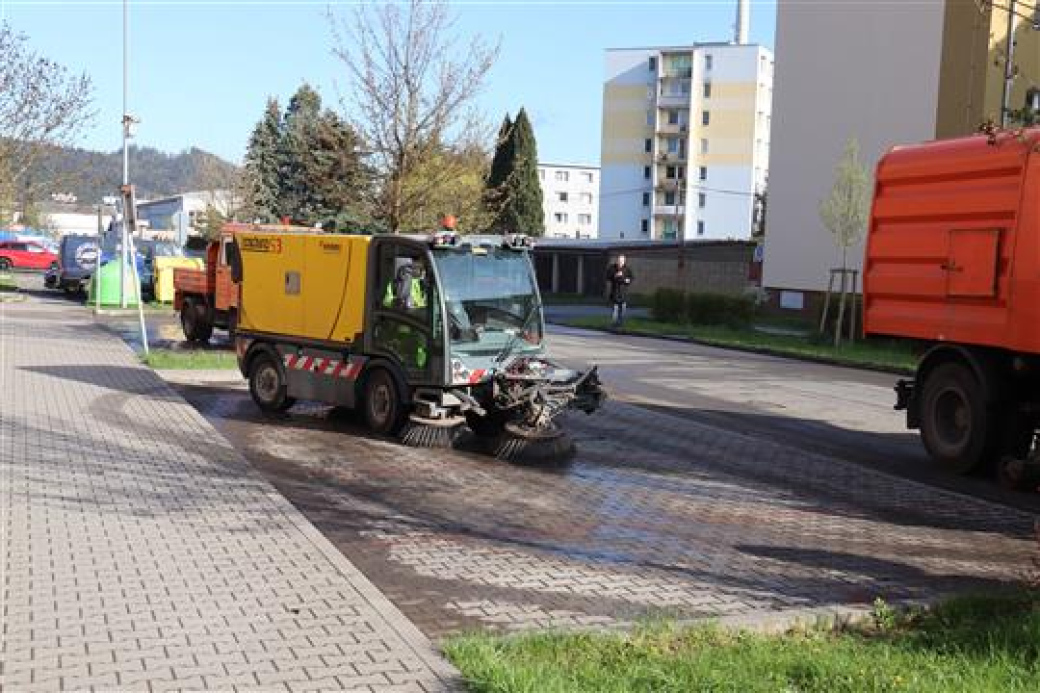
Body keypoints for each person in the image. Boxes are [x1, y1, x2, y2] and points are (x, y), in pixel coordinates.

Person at [606, 254, 634, 328]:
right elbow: (608, 277)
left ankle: (620, 324)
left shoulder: (627, 269)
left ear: (624, 261)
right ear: (617, 260)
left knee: (622, 310)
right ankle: (613, 324)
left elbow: (631, 278)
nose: (621, 262)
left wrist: (627, 280)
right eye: (619, 260)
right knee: (615, 310)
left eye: (622, 261)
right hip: (615, 292)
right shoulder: (612, 268)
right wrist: (615, 275)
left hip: (623, 293)